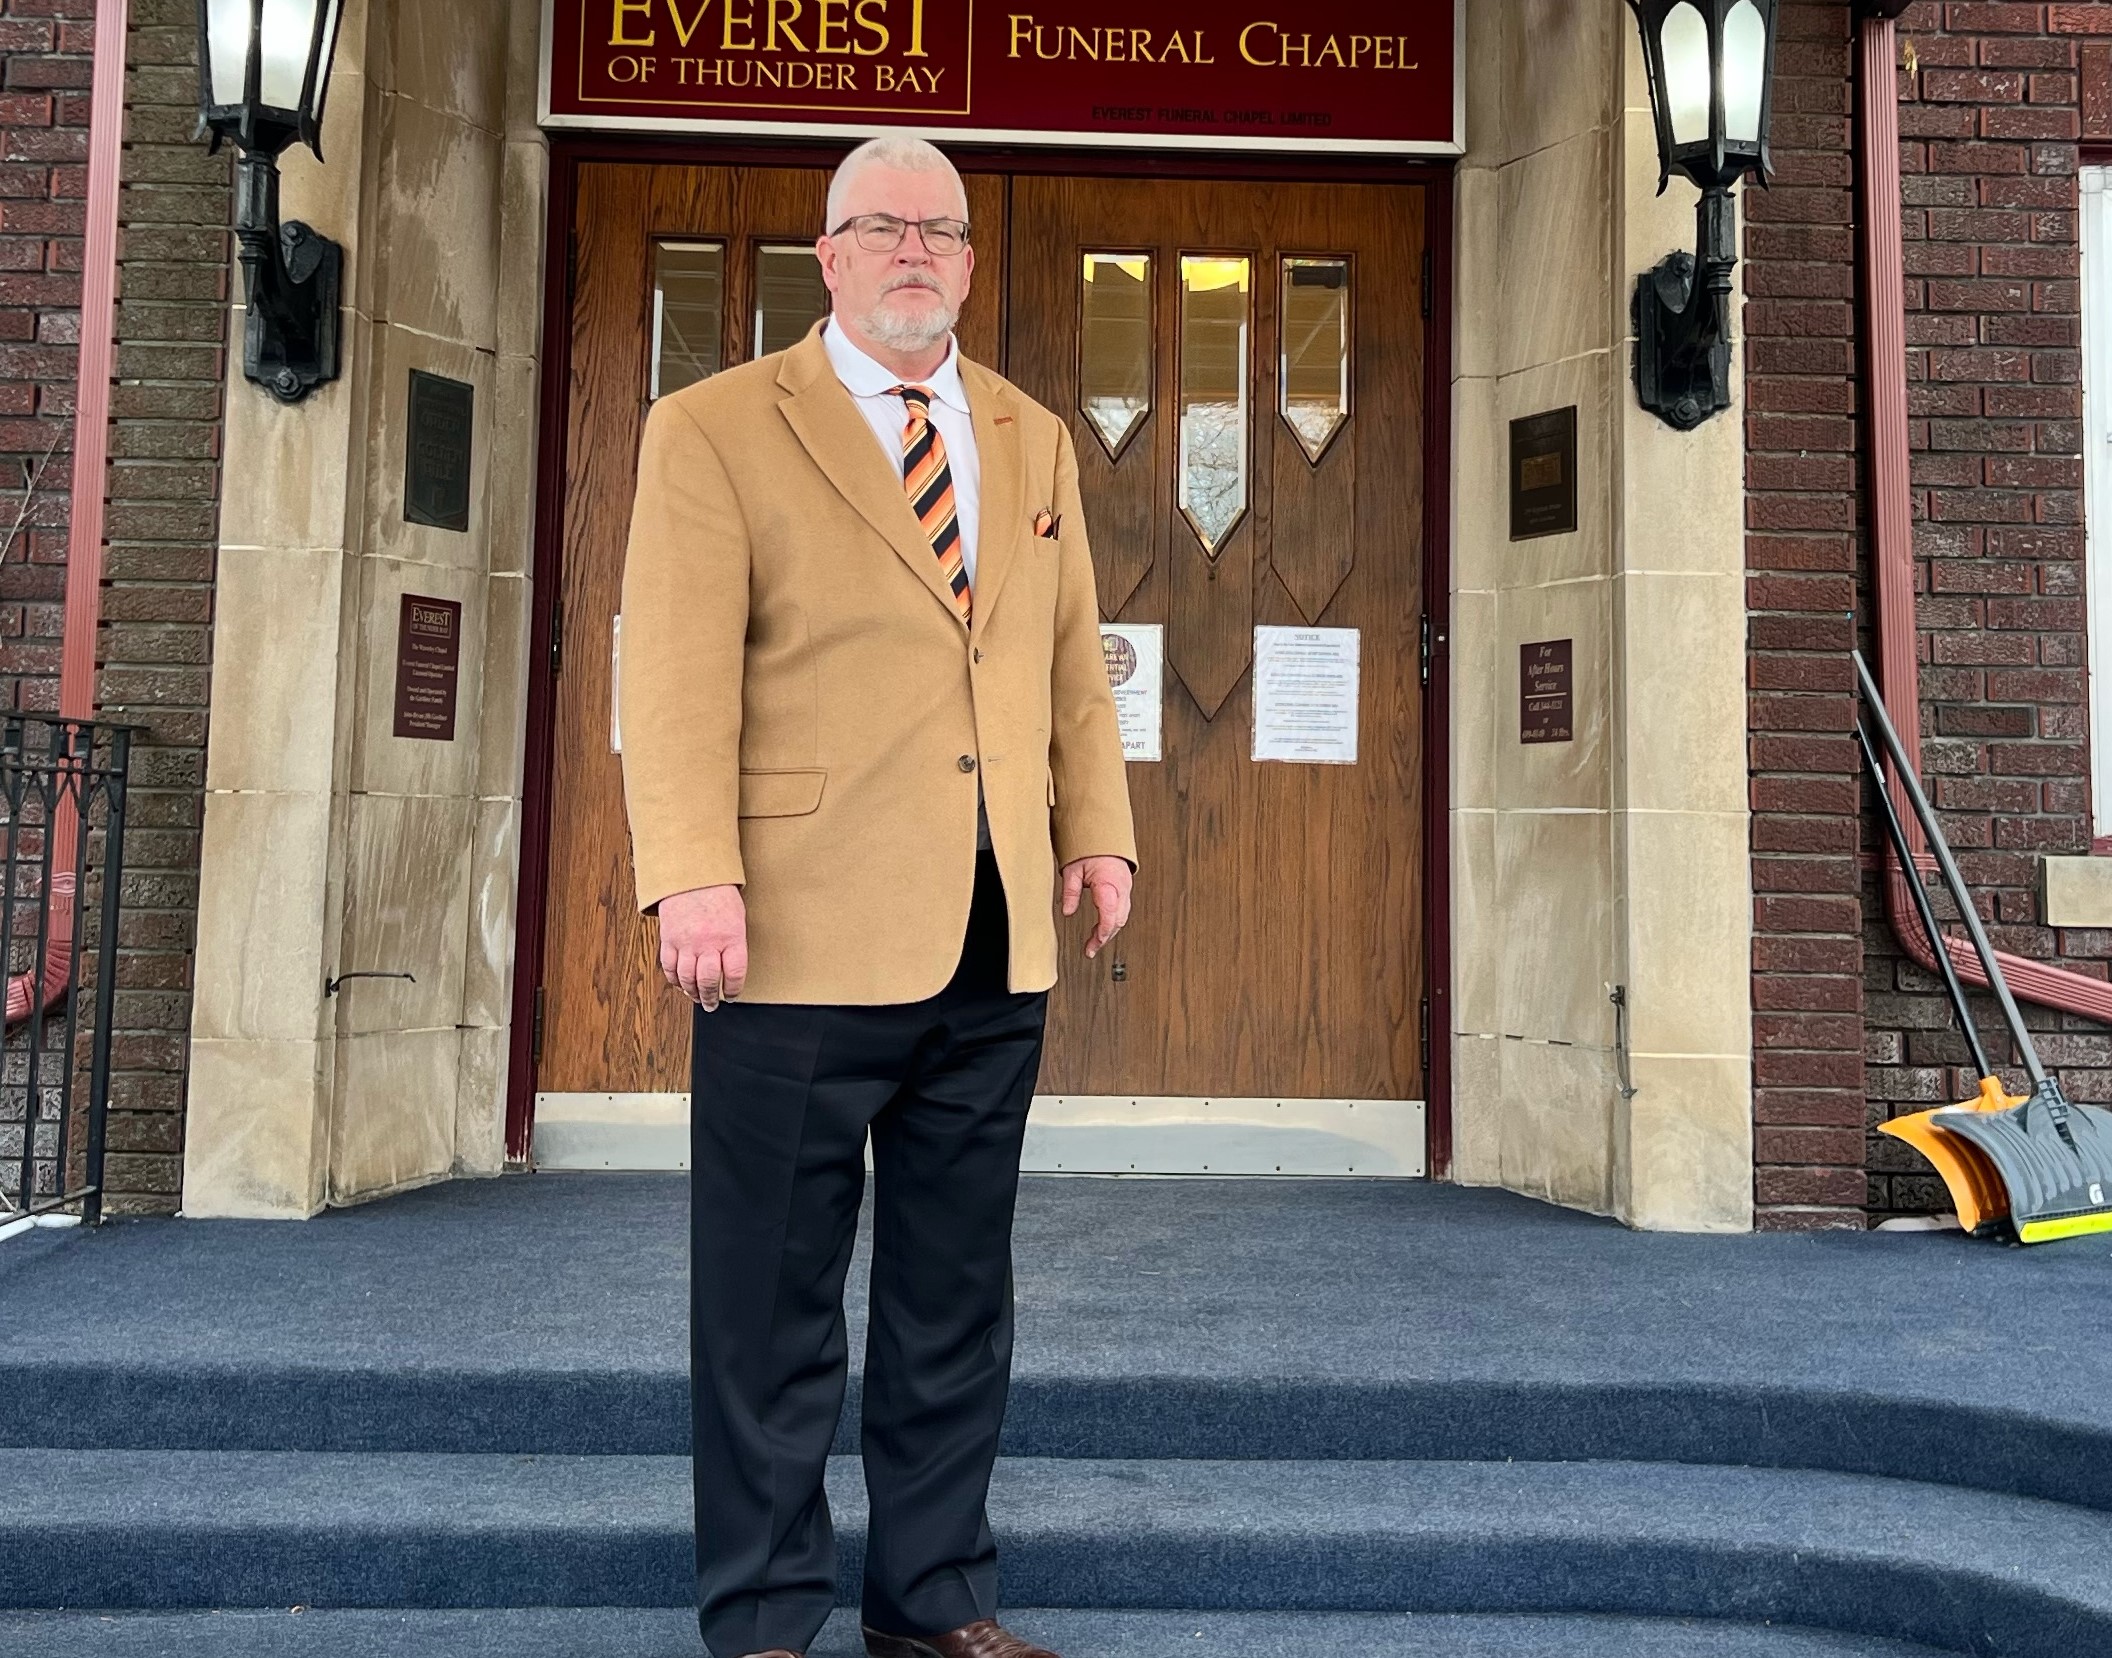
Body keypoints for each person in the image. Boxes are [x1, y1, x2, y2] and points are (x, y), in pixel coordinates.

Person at [616, 133, 1137, 1658]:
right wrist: (689, 871)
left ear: (971, 263)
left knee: (952, 1300)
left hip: (990, 937)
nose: (915, 249)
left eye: (942, 230)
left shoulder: (1032, 438)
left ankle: (937, 1606)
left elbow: (1067, 661)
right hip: (788, 932)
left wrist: (1097, 833)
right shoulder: (713, 428)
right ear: (826, 255)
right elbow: (680, 669)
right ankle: (769, 1619)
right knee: (771, 1306)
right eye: (881, 226)